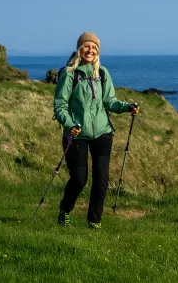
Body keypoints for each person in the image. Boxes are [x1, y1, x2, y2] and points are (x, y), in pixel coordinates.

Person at [53, 31, 139, 229]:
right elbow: (60, 106)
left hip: (102, 132)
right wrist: (70, 125)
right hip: (77, 133)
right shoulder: (68, 73)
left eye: (94, 47)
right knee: (79, 179)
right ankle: (65, 210)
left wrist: (126, 107)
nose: (90, 50)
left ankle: (94, 221)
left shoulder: (102, 73)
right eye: (86, 46)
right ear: (79, 49)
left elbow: (109, 101)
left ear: (97, 51)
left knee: (101, 179)